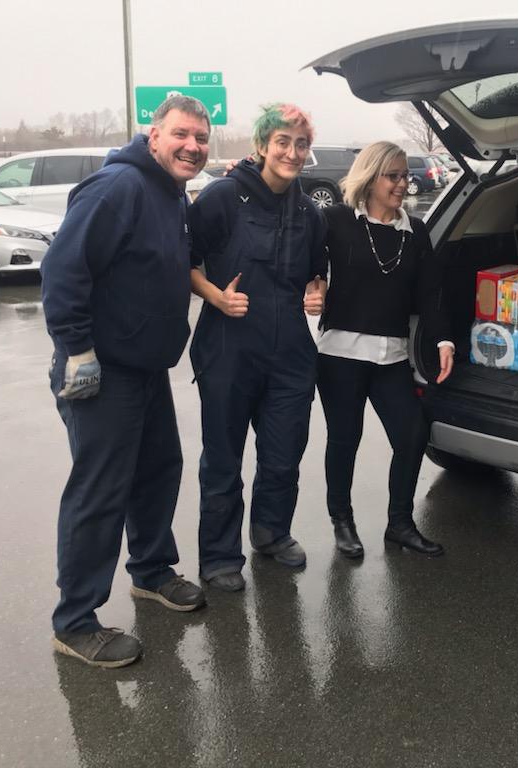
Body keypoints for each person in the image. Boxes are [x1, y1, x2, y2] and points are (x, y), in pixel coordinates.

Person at [41, 95, 211, 668]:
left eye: (202, 138)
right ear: (154, 135)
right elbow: (63, 268)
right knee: (100, 490)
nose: (193, 146)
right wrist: (76, 349)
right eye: (182, 134)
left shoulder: (170, 195)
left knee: (159, 469)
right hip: (100, 368)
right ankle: (75, 621)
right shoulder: (117, 187)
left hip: (144, 368)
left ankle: (151, 571)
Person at [188, 103, 327, 593]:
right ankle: (220, 556)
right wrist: (215, 297)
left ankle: (271, 532)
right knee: (223, 458)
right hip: (229, 348)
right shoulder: (223, 197)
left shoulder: (309, 211)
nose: (291, 152)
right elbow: (183, 260)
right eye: (283, 142)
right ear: (263, 146)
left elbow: (317, 270)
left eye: (301, 144)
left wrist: (318, 289)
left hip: (289, 352)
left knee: (283, 453)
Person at [317, 141, 454, 558]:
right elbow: (306, 265)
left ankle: (400, 524)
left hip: (391, 357)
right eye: (392, 176)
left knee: (412, 434)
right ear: (370, 176)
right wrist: (312, 284)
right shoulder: (336, 221)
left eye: (404, 176)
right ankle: (342, 520)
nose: (401, 184)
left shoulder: (415, 230)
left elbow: (431, 294)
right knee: (345, 438)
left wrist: (444, 340)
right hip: (341, 354)